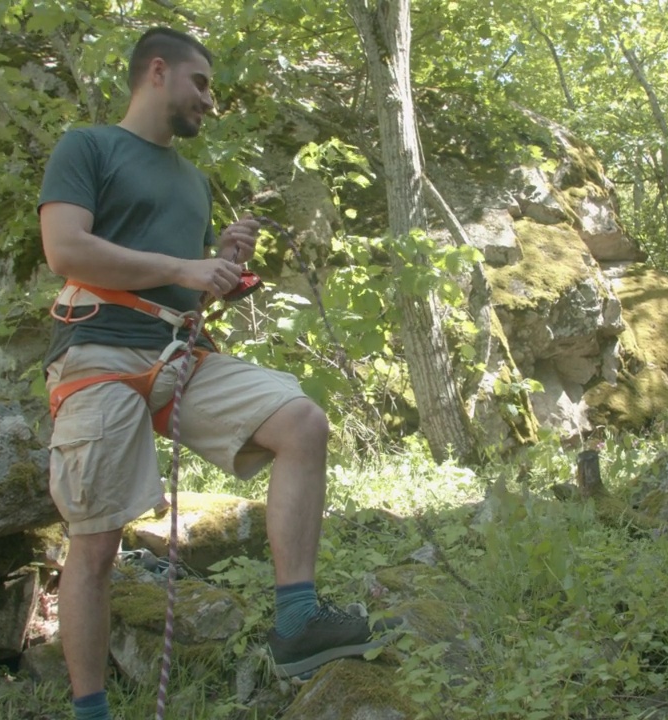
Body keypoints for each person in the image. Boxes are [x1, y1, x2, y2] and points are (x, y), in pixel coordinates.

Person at [38, 27, 399, 720]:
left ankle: (296, 619)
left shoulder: (194, 182)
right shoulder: (88, 147)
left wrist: (219, 269)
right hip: (97, 356)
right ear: (157, 71)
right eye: (200, 84)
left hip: (178, 355)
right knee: (96, 547)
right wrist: (185, 268)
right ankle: (91, 712)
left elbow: (181, 291)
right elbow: (66, 250)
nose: (209, 99)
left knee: (301, 423)